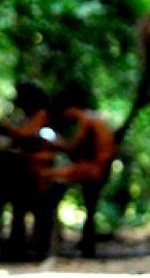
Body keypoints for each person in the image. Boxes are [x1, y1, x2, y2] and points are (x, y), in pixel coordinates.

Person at [37, 82, 117, 257]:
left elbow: (74, 147)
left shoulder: (86, 119)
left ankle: (44, 241)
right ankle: (83, 243)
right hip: (101, 167)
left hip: (95, 169)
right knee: (89, 207)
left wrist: (56, 144)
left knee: (46, 175)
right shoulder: (97, 117)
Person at [0, 81, 57, 259]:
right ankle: (17, 244)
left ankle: (38, 246)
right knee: (17, 204)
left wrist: (9, 128)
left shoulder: (41, 115)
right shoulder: (26, 116)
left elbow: (27, 134)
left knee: (36, 206)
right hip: (23, 170)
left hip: (40, 172)